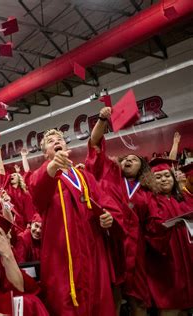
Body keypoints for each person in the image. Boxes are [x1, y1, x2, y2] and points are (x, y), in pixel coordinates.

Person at [29, 129, 120, 316]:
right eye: (50, 141)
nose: (56, 141)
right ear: (45, 153)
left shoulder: (84, 177)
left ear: (66, 145)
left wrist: (108, 217)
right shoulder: (45, 176)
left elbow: (105, 202)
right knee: (67, 304)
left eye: (60, 139)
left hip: (92, 249)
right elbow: (37, 195)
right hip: (62, 254)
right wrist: (52, 167)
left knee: (97, 301)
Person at [87, 107, 164, 316]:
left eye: (134, 159)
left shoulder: (147, 193)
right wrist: (103, 119)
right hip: (113, 246)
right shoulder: (110, 177)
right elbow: (94, 145)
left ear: (142, 167)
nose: (129, 160)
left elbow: (154, 227)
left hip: (137, 252)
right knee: (113, 300)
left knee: (138, 301)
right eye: (125, 158)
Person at [146, 158, 193, 315]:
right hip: (167, 261)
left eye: (167, 175)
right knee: (171, 305)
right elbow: (150, 228)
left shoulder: (183, 198)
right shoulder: (150, 200)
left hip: (188, 254)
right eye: (158, 177)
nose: (164, 179)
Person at [0, 146, 37, 227]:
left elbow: (27, 172)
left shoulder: (25, 192)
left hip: (22, 223)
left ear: (19, 178)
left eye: (14, 175)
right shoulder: (6, 187)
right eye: (11, 175)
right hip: (8, 219)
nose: (11, 176)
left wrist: (23, 156)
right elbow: (2, 170)